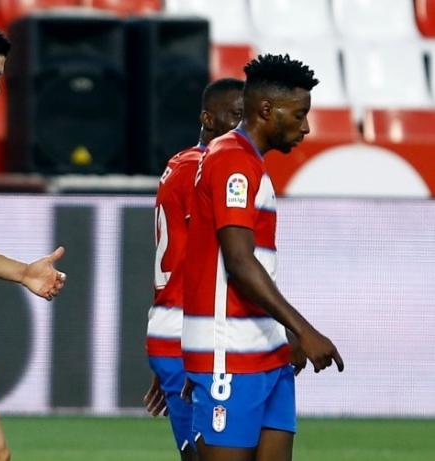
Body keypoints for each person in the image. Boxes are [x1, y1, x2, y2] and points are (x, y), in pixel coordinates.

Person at [181, 54, 344, 461]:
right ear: (267, 110)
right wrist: (303, 328)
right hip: (229, 352)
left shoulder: (249, 162)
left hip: (264, 349)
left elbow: (253, 264)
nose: (305, 127)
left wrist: (282, 333)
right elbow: (238, 261)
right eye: (300, 114)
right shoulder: (232, 158)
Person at [144, 78, 244, 461]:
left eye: (246, 117)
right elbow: (223, 260)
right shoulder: (204, 169)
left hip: (181, 333)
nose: (243, 126)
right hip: (191, 334)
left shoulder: (180, 163)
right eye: (236, 115)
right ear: (208, 118)